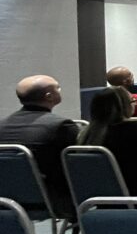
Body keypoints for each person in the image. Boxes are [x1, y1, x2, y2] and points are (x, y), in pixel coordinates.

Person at [0, 75, 79, 219]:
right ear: (49, 96)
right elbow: (77, 165)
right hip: (52, 201)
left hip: (7, 200)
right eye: (58, 87)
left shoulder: (2, 125)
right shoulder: (62, 126)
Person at [79, 87, 137, 200]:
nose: (134, 104)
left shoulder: (86, 135)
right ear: (124, 106)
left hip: (98, 199)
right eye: (133, 101)